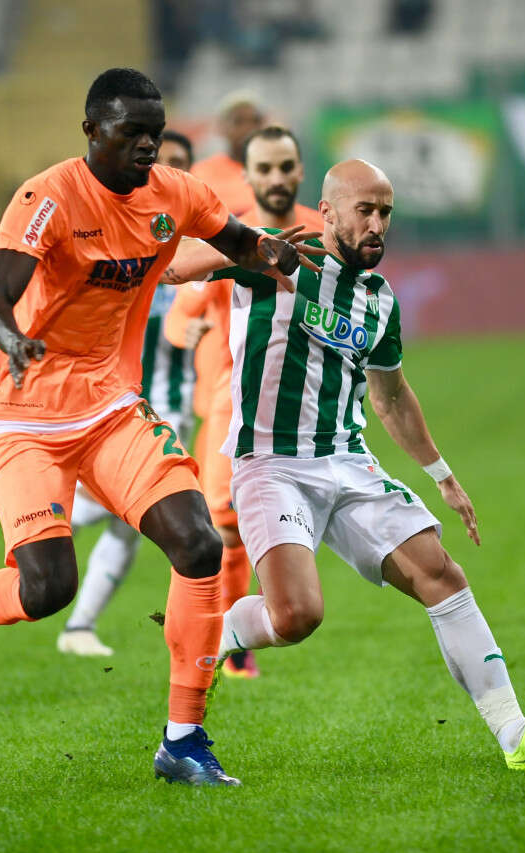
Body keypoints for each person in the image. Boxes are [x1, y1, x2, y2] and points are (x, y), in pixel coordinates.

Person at [0, 68, 312, 788]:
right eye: (132, 134)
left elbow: (234, 237)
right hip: (24, 415)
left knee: (197, 543)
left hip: (110, 405)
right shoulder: (47, 197)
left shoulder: (175, 193)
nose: (147, 147)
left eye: (155, 134)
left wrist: (270, 252)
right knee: (46, 588)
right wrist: (12, 338)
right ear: (92, 131)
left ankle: (183, 739)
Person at [162, 159, 525, 770]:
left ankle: (514, 735)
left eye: (385, 212)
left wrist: (442, 475)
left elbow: (391, 397)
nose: (377, 225)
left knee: (441, 575)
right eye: (364, 211)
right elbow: (175, 265)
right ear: (328, 212)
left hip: (348, 462)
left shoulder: (379, 299)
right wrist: (252, 250)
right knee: (296, 616)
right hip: (272, 465)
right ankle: (215, 631)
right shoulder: (273, 257)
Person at [164, 125, 323, 678]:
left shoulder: (324, 233)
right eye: (265, 168)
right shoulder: (234, 238)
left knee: (291, 525)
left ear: (300, 170)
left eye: (285, 167)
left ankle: (254, 622)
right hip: (232, 400)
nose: (276, 178)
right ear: (247, 175)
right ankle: (234, 642)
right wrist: (186, 327)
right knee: (225, 525)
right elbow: (184, 303)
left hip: (305, 406)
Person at [56, 130, 204, 658]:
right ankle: (40, 538)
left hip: (175, 408)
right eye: (165, 163)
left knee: (132, 523)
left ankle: (79, 626)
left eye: (182, 165)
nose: (168, 174)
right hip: (120, 406)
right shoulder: (126, 242)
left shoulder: (202, 248)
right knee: (123, 514)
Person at [190, 90, 265, 216]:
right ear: (222, 127)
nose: (249, 128)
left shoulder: (277, 171)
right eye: (239, 121)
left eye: (255, 121)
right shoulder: (200, 173)